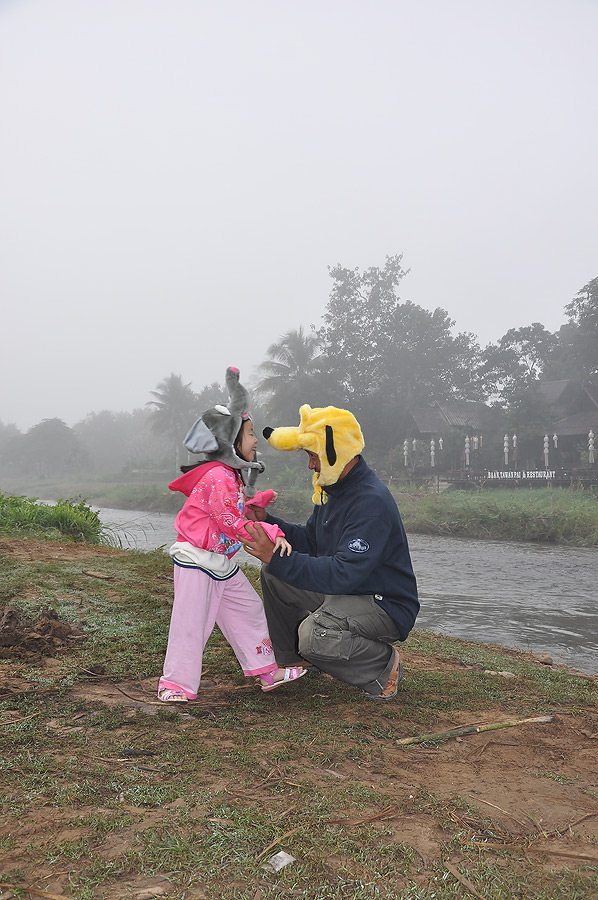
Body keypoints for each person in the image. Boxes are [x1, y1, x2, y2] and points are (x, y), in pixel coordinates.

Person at [240, 404, 419, 700]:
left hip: (383, 603)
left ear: (335, 452)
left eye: (313, 456)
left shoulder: (370, 503)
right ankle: (293, 658)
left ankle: (382, 667)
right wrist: (269, 522)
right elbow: (312, 541)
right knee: (275, 573)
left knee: (316, 634)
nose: (311, 465)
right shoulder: (334, 489)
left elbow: (342, 574)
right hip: (352, 590)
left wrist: (274, 554)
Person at [158, 367, 307, 701]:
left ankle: (267, 671)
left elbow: (238, 511)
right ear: (232, 442)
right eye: (250, 433)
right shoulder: (219, 477)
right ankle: (175, 685)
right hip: (197, 561)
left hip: (221, 564)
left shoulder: (230, 476)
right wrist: (270, 532)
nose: (256, 440)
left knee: (249, 612)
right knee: (191, 623)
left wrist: (267, 515)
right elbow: (230, 521)